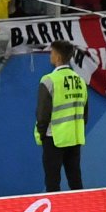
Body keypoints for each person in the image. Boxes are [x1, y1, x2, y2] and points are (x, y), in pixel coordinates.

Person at [36, 39, 88, 191]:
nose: (50, 56)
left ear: (58, 57)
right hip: (75, 137)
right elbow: (85, 113)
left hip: (54, 138)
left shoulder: (49, 80)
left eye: (51, 52)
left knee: (52, 183)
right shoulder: (81, 81)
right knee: (76, 181)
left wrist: (41, 134)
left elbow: (42, 114)